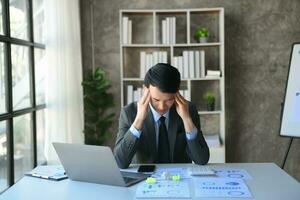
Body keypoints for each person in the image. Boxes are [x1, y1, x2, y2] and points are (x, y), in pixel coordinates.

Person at [114, 63, 209, 168]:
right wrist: (139, 119)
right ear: (146, 90)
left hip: (179, 177)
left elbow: (201, 159)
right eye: (156, 100)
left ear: (177, 93)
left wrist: (186, 119)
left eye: (169, 100)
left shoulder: (188, 110)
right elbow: (120, 162)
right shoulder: (129, 113)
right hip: (145, 179)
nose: (162, 106)